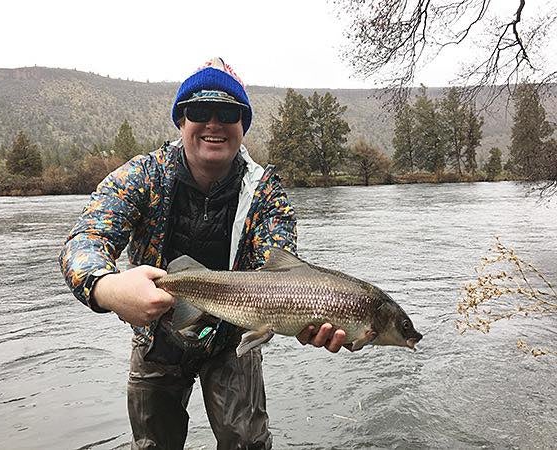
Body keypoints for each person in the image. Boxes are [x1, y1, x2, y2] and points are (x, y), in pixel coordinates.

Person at [59, 57, 346, 450]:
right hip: (156, 337)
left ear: (243, 124)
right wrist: (107, 289)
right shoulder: (143, 176)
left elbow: (282, 275)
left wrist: (309, 318)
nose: (213, 123)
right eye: (198, 110)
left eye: (228, 112)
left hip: (234, 339)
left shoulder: (266, 194)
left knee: (247, 443)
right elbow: (85, 240)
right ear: (181, 121)